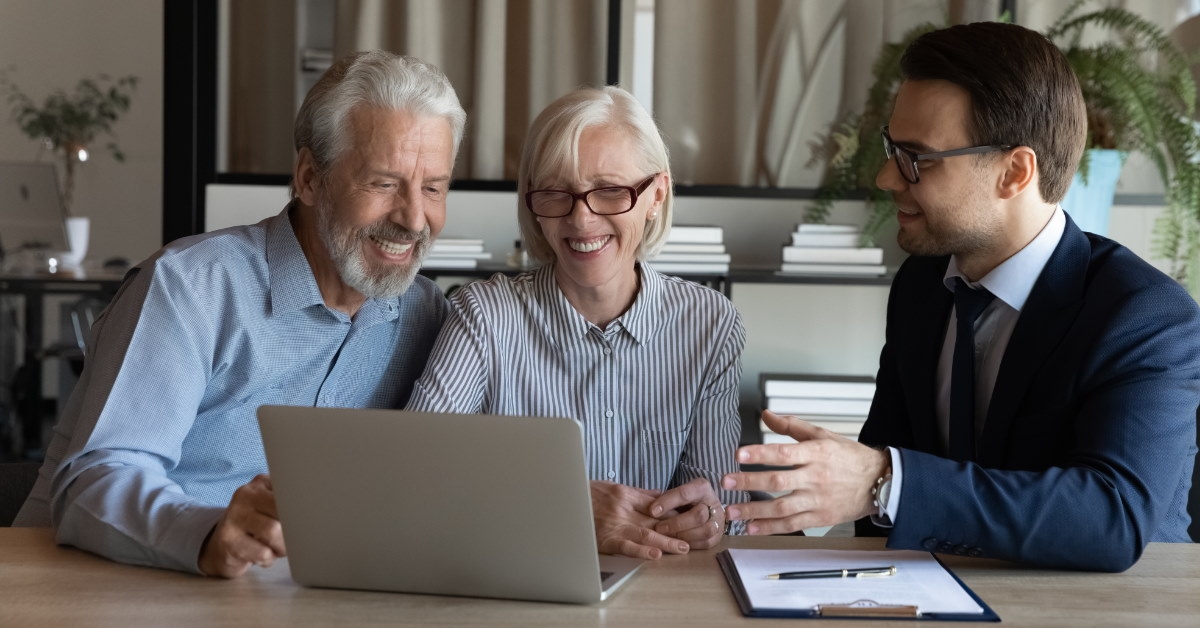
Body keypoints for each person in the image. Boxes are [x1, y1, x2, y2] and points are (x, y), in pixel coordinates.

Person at [721, 21, 1200, 572]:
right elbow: (880, 498)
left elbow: (1111, 517)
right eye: (890, 149)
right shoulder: (920, 287)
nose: (885, 177)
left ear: (1014, 172)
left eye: (916, 159)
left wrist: (882, 481)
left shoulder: (1143, 316)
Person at [13, 50, 467, 578]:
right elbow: (94, 481)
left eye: (433, 187)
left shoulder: (425, 314)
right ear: (309, 178)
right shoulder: (190, 287)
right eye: (383, 183)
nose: (414, 218)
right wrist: (205, 534)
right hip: (97, 587)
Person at [407, 85, 748, 560]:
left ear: (657, 194)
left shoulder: (709, 325)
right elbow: (414, 473)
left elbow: (722, 503)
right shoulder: (483, 315)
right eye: (555, 193)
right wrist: (565, 504)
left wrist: (709, 518)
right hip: (513, 576)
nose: (582, 220)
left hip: (655, 585)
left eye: (609, 191)